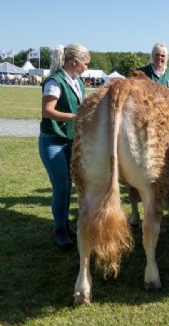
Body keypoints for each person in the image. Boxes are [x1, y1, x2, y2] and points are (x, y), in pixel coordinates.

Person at [38, 43, 90, 249]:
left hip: (71, 141)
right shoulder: (54, 81)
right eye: (86, 63)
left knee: (69, 187)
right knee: (61, 187)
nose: (86, 67)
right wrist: (75, 117)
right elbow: (47, 110)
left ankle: (66, 226)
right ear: (75, 62)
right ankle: (60, 229)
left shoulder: (78, 82)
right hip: (53, 141)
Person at [136, 43, 169, 202]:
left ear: (167, 58)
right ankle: (143, 189)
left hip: (168, 124)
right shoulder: (141, 73)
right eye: (157, 54)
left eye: (163, 55)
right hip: (147, 122)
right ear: (152, 56)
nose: (160, 58)